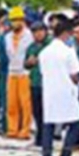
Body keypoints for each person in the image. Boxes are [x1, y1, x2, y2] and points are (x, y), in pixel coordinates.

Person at [38, 18, 79, 156]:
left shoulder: (44, 52)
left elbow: (42, 72)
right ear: (65, 34)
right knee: (77, 122)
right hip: (66, 91)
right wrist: (78, 82)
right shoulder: (68, 52)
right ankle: (66, 153)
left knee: (49, 123)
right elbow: (75, 74)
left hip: (50, 91)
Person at [3, 7, 35, 139]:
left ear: (23, 20)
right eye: (12, 20)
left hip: (24, 73)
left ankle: (25, 130)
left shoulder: (29, 36)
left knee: (25, 103)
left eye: (17, 20)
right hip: (12, 72)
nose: (15, 23)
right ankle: (12, 129)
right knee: (11, 103)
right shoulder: (7, 37)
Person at [27, 18, 52, 146]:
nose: (38, 34)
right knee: (36, 111)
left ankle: (45, 138)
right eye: (35, 32)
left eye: (40, 31)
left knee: (45, 111)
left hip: (46, 83)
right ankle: (39, 135)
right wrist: (29, 62)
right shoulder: (31, 47)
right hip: (34, 82)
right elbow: (25, 64)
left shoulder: (50, 45)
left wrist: (38, 59)